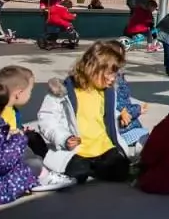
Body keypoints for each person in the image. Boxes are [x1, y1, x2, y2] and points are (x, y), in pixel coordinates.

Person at [34, 41, 138, 189]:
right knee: (78, 172)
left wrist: (120, 116)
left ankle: (97, 168)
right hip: (76, 150)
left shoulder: (108, 92)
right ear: (92, 68)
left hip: (103, 147)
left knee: (120, 171)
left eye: (115, 73)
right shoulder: (63, 91)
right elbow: (47, 118)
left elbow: (104, 116)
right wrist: (63, 138)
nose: (113, 78)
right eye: (109, 73)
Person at [104, 40, 149, 149]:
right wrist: (138, 109)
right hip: (122, 128)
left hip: (122, 125)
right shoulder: (114, 80)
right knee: (145, 139)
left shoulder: (117, 76)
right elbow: (119, 106)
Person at [0, 65, 34, 134]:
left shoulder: (8, 109)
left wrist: (22, 130)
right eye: (30, 91)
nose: (31, 94)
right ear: (18, 94)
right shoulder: (3, 116)